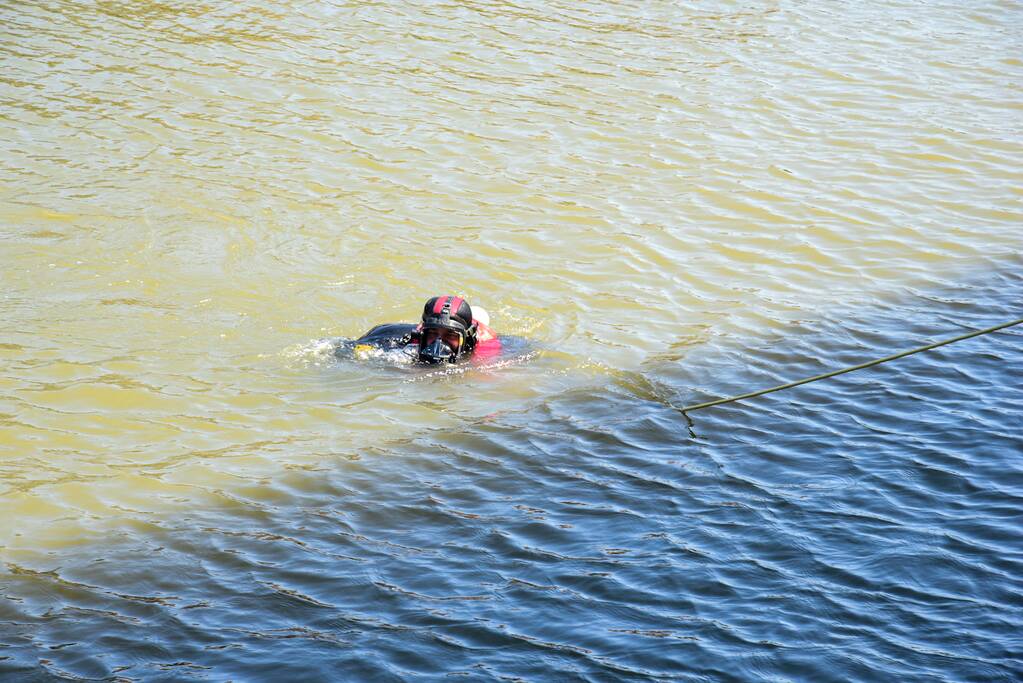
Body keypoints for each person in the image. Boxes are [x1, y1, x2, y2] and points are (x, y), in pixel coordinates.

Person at [347, 295, 501, 364]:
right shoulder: (404, 337)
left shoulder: (485, 348)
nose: (439, 343)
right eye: (433, 333)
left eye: (450, 336)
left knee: (481, 315)